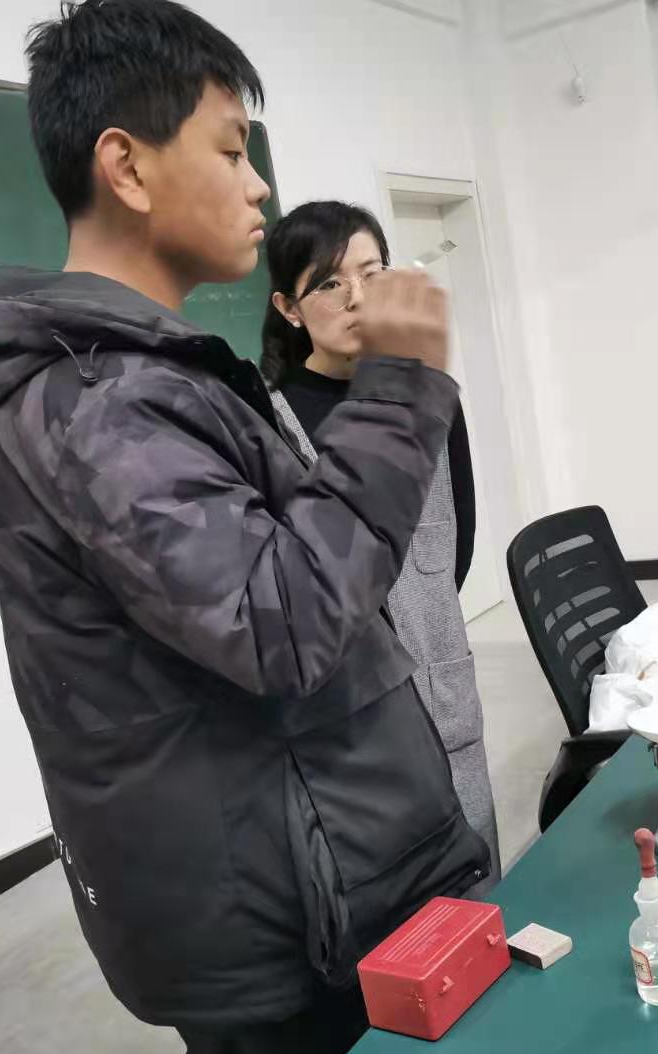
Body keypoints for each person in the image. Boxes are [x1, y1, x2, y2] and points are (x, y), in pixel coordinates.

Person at [0, 2, 491, 1054]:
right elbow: (286, 622)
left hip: (301, 873)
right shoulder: (97, 406)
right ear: (126, 166)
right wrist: (402, 389)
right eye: (230, 150)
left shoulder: (151, 376)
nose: (259, 185)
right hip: (282, 911)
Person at [262, 202, 501, 887]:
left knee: (480, 884)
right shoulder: (271, 420)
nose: (358, 296)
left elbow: (455, 544)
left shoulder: (430, 399)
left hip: (441, 681)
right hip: (350, 722)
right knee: (400, 908)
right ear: (289, 308)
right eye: (330, 283)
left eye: (372, 273)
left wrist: (422, 616)